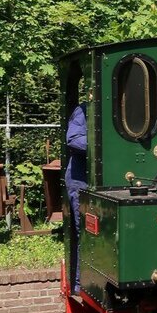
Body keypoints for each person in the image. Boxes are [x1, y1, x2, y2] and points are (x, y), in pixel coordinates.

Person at [65, 91, 89, 293]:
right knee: (84, 231)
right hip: (80, 179)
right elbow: (73, 139)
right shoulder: (83, 110)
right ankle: (79, 286)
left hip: (95, 180)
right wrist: (102, 144)